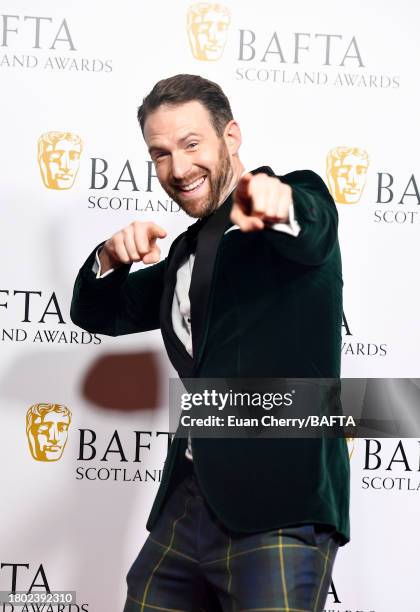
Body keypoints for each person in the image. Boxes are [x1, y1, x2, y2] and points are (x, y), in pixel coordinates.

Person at [70, 74, 350, 611]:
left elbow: (311, 226)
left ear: (232, 137)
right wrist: (110, 257)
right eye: (160, 154)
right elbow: (97, 312)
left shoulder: (294, 200)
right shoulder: (183, 253)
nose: (177, 169)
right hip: (188, 504)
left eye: (191, 144)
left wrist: (268, 199)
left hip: (280, 508)